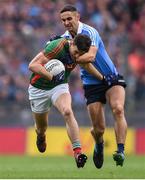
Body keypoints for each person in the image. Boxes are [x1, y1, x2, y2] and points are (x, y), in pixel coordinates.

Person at [59, 5, 128, 168]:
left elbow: (90, 56)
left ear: (77, 17)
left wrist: (71, 57)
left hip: (111, 77)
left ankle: (120, 151)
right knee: (99, 129)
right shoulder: (64, 39)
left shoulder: (89, 32)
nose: (67, 22)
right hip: (92, 83)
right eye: (63, 20)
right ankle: (99, 144)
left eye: (69, 18)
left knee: (118, 108)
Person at [28, 33, 102, 168]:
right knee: (41, 128)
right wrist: (51, 77)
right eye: (75, 53)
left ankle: (78, 152)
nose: (76, 57)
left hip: (59, 86)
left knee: (67, 111)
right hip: (38, 89)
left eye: (80, 54)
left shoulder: (79, 53)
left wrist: (102, 78)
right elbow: (33, 65)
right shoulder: (57, 47)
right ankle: (41, 135)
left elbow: (86, 65)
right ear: (72, 43)